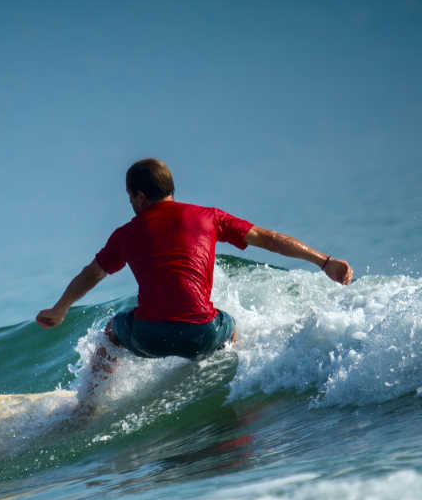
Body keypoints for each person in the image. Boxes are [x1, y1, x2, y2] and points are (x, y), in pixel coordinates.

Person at [36, 158, 353, 372]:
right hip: (202, 334)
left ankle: (88, 407)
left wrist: (60, 308)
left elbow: (93, 273)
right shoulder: (209, 217)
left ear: (140, 195)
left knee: (110, 333)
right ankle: (239, 380)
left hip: (149, 335)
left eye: (130, 196)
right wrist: (324, 261)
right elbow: (269, 239)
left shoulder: (126, 234)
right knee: (229, 325)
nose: (130, 203)